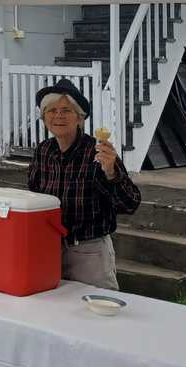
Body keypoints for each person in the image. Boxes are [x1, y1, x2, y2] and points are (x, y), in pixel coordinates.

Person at [27, 78, 141, 290]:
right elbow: (34, 198)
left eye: (66, 110)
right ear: (44, 118)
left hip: (89, 252)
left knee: (95, 316)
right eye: (51, 110)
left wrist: (111, 173)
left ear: (80, 118)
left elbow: (130, 203)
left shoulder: (98, 153)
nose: (58, 116)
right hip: (48, 249)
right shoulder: (43, 151)